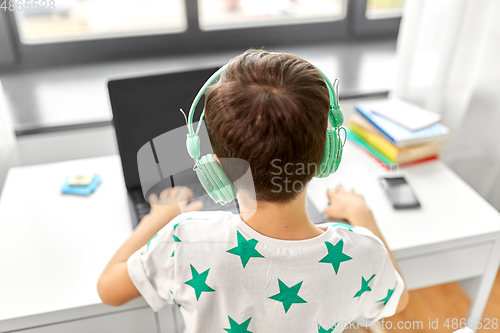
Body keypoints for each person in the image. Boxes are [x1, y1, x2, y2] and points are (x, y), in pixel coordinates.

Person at [98, 50, 409, 332]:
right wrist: (362, 216)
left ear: (216, 168)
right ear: (327, 155)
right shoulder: (363, 251)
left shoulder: (184, 240)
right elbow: (400, 300)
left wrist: (156, 220)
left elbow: (109, 289)